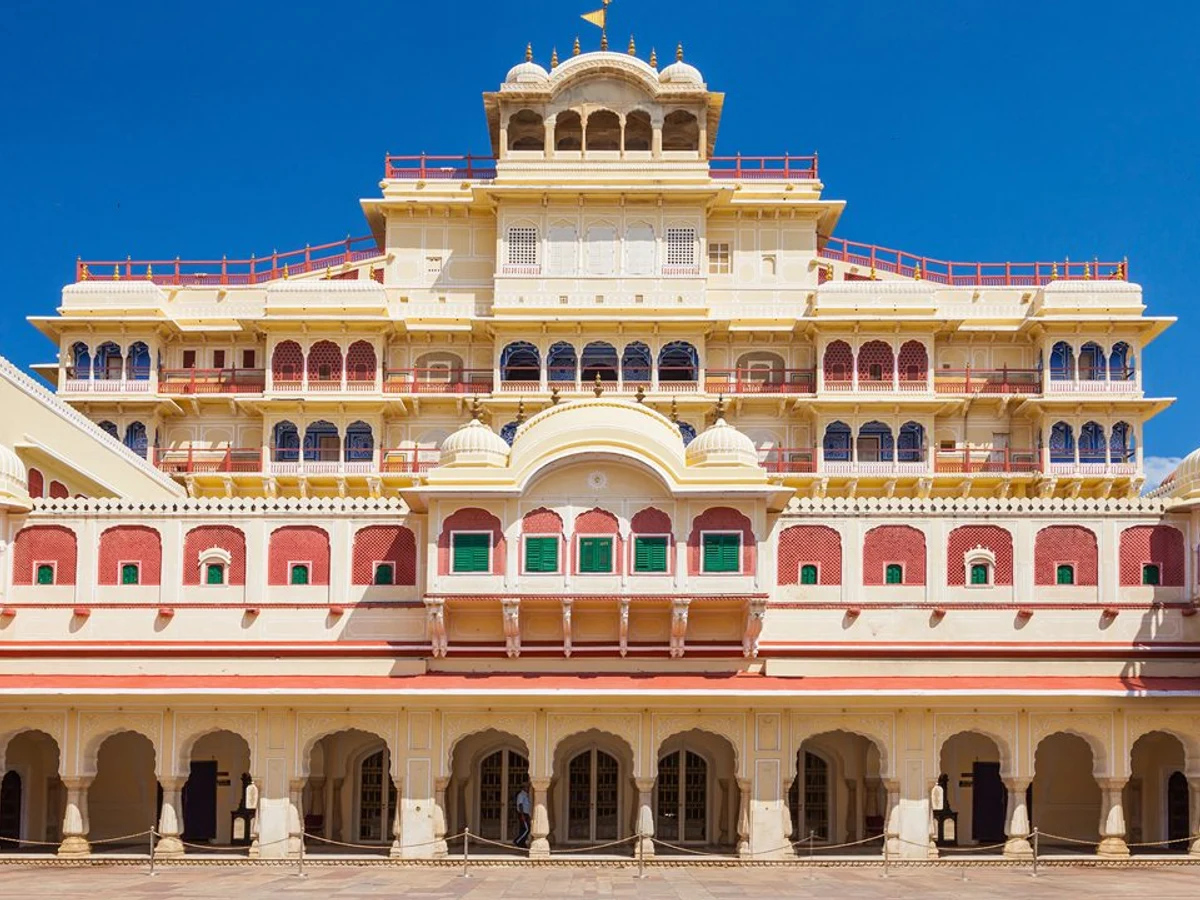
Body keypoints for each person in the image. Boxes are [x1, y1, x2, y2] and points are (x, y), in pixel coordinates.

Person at [514, 783, 532, 848]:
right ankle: (517, 841)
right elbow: (520, 805)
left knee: (523, 829)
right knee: (527, 829)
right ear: (523, 788)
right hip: (523, 814)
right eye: (527, 787)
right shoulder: (521, 795)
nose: (528, 789)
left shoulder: (526, 795)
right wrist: (522, 815)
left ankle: (522, 843)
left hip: (526, 814)